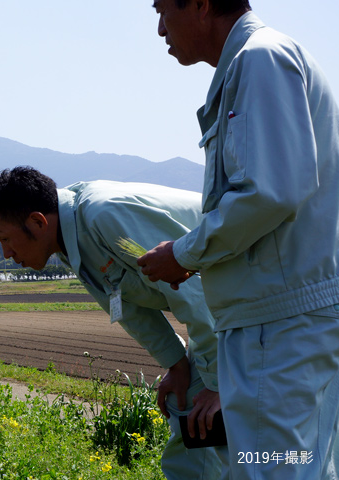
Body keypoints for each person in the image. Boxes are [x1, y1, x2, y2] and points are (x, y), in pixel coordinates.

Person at [137, 1, 339, 478]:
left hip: (278, 322)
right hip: (284, 318)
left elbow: (272, 191)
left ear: (203, 5)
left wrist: (184, 254)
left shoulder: (260, 58)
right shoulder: (258, 61)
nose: (160, 27)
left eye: (164, 9)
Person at [0, 166, 226, 480]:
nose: (6, 253)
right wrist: (177, 366)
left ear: (38, 221)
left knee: (223, 418)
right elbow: (128, 307)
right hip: (226, 311)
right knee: (188, 406)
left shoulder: (104, 215)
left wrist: (221, 383)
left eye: (5, 238)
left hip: (257, 297)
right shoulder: (70, 238)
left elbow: (196, 295)